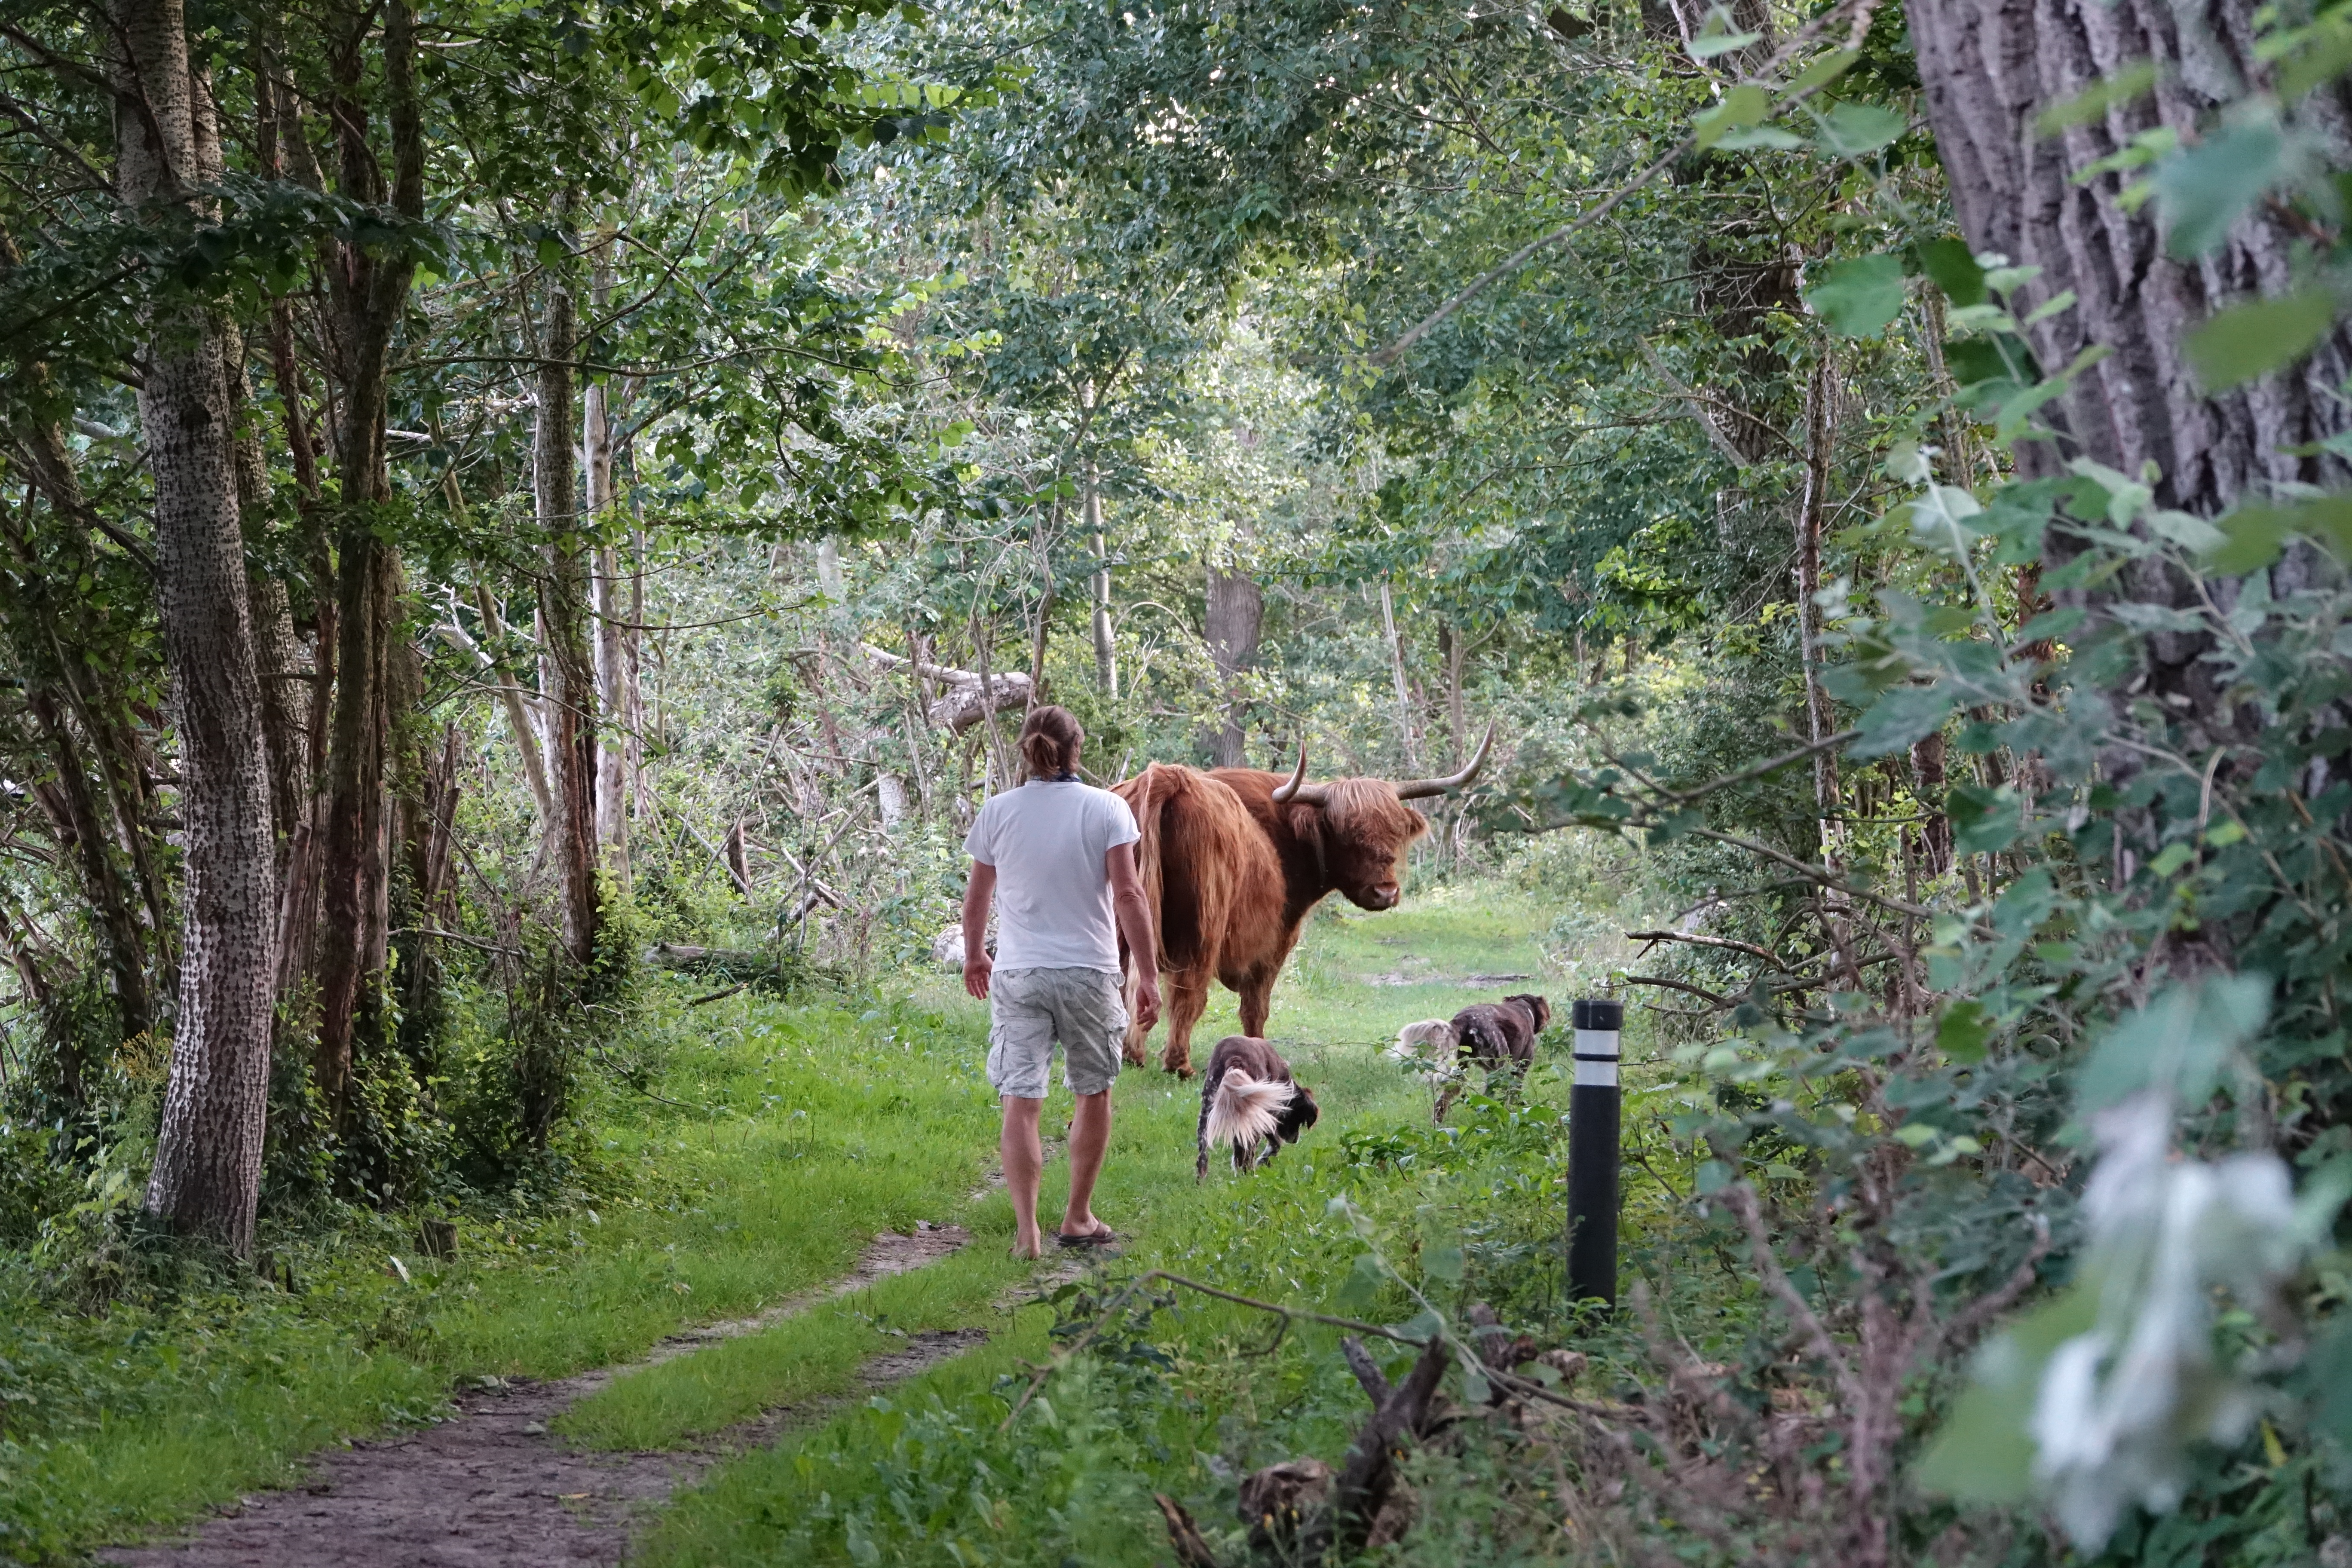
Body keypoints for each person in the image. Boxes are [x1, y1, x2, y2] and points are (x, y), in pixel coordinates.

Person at [961, 707, 1162, 1259]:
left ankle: (1027, 1233)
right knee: (1093, 1092)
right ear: (1078, 747)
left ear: (1026, 749)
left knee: (1020, 1100)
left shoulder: (998, 812)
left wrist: (976, 955)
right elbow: (1129, 895)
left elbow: (978, 895)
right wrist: (1147, 975)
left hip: (1020, 973)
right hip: (1089, 973)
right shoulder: (1107, 808)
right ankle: (1077, 1217)